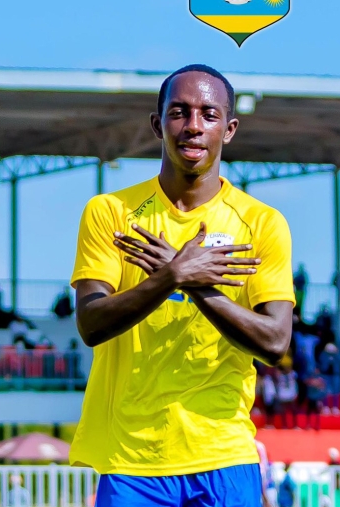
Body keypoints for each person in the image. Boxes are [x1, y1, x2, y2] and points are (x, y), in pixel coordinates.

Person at [69, 65, 294, 507]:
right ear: (158, 124)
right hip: (133, 461)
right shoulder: (111, 212)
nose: (193, 126)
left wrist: (191, 283)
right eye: (179, 112)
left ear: (228, 130)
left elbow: (275, 340)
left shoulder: (263, 223)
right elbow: (91, 324)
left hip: (223, 456)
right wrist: (170, 277)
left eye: (209, 115)